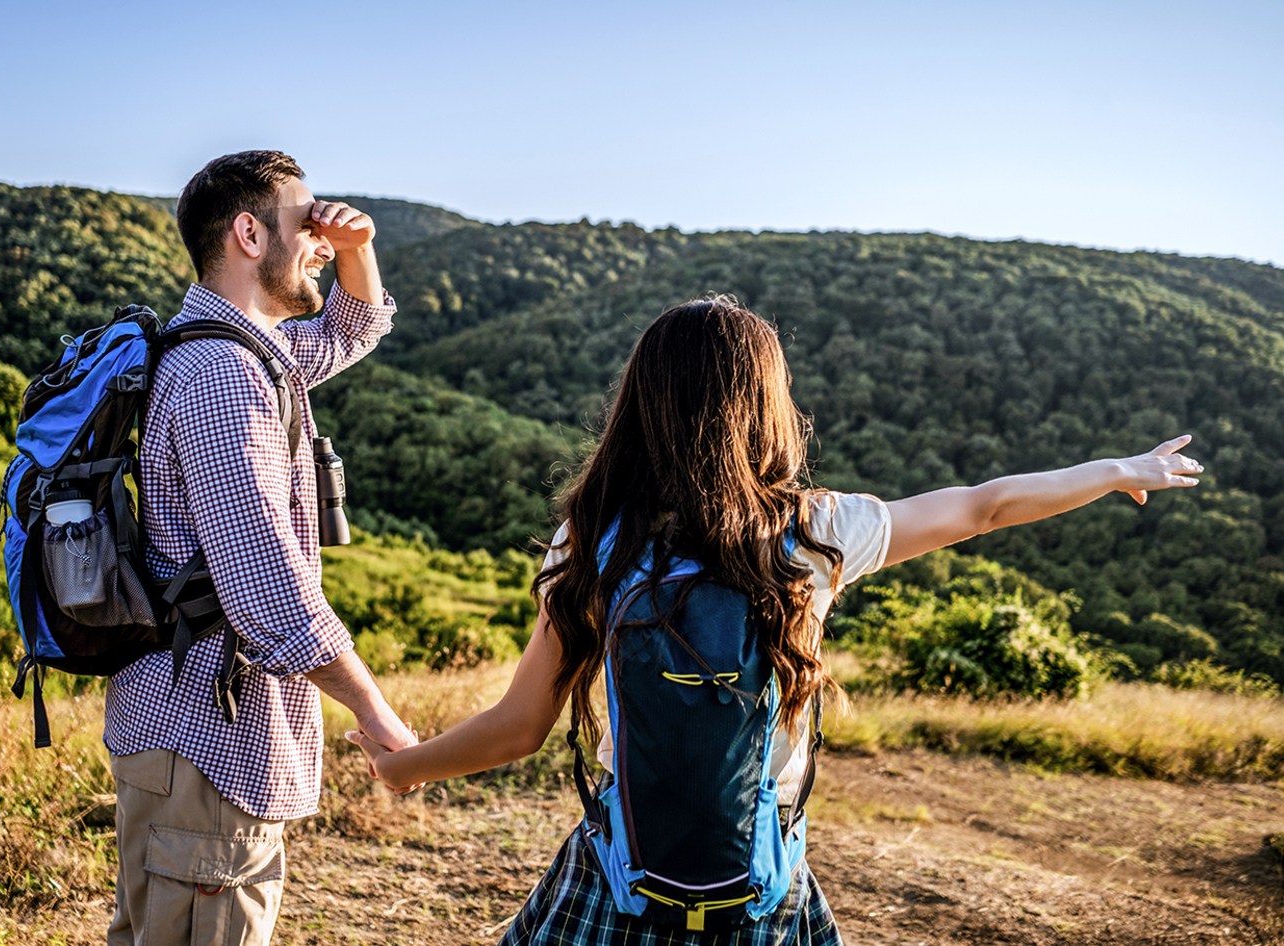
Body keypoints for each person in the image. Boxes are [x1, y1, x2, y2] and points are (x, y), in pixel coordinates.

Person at [347, 295, 1202, 945]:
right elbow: (981, 508)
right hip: (761, 884)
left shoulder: (596, 539)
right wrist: (1114, 468)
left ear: (639, 402)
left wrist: (407, 769)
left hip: (616, 881)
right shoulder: (817, 532)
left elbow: (519, 727)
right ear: (768, 402)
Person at [104, 150, 418, 946]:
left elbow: (356, 326)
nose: (318, 236)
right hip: (210, 740)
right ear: (249, 232)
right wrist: (376, 711)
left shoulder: (243, 351)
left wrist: (355, 247)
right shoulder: (223, 373)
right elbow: (266, 585)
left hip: (183, 736)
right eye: (303, 221)